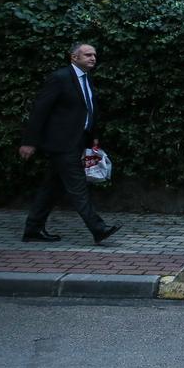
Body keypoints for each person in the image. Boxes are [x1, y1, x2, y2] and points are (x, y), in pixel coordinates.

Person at [19, 42, 120, 244]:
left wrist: (93, 138)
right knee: (77, 186)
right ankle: (98, 229)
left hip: (78, 141)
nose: (93, 58)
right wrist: (29, 142)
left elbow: (88, 110)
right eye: (88, 55)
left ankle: (33, 229)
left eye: (94, 55)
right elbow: (40, 110)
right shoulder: (60, 78)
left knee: (51, 187)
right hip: (61, 143)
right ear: (74, 57)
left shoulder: (86, 78)